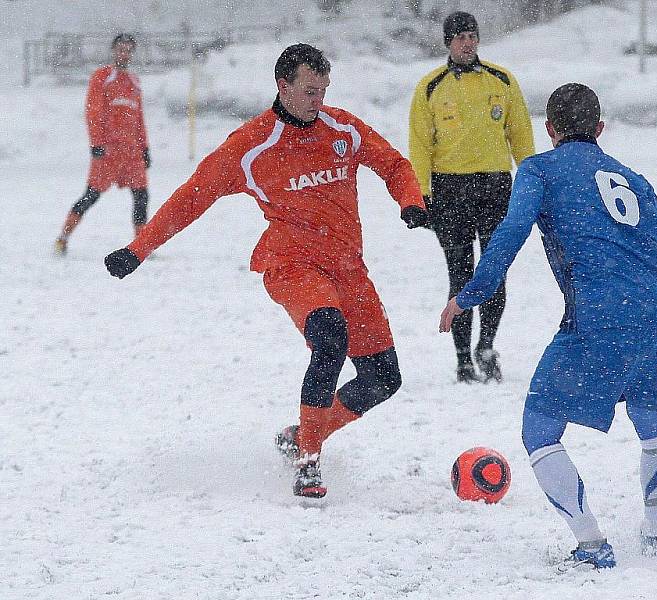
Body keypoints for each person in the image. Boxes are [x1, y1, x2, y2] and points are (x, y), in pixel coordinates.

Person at [104, 44, 429, 498]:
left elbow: (394, 164)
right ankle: (309, 459)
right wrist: (137, 250)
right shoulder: (252, 144)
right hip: (291, 263)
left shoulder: (342, 129)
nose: (319, 101)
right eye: (310, 91)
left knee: (383, 378)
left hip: (348, 268)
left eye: (324, 90)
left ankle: (304, 433)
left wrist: (410, 202)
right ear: (284, 86)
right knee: (329, 336)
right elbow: (193, 196)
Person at [440, 83, 657, 568]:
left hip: (599, 311)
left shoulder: (540, 168)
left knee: (540, 427)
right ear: (599, 130)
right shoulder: (631, 176)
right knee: (650, 417)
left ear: (548, 130)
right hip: (656, 307)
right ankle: (655, 533)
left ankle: (591, 544)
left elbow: (510, 231)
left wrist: (471, 293)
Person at [409, 11, 534, 383]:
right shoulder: (431, 86)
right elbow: (420, 145)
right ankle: (463, 357)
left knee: (494, 272)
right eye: (460, 37)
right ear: (448, 42)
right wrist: (421, 196)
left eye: (472, 36)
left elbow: (521, 136)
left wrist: (533, 183)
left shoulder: (502, 80)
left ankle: (487, 346)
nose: (467, 42)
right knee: (460, 274)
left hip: (496, 187)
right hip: (450, 190)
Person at [55, 33, 151, 255]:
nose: (124, 54)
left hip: (132, 152)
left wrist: (145, 147)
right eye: (120, 49)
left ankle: (141, 246)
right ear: (113, 51)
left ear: (132, 53)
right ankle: (63, 237)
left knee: (141, 196)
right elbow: (93, 112)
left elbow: (139, 119)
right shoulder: (102, 77)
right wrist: (96, 143)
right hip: (108, 152)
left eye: (128, 50)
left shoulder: (134, 82)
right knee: (91, 195)